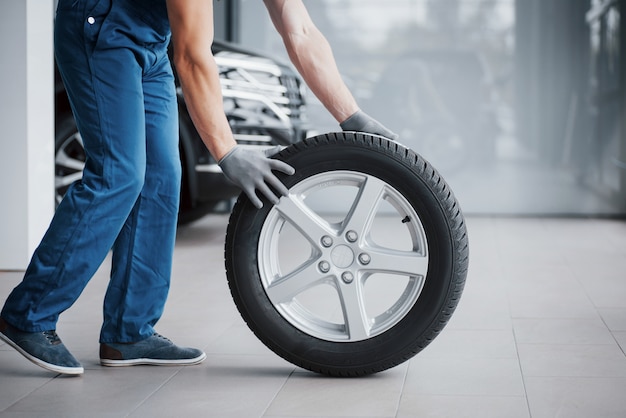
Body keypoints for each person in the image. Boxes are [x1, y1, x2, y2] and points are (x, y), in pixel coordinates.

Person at [0, 0, 397, 376]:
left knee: (160, 180)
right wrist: (228, 152)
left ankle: (129, 332)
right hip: (100, 27)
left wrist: (352, 116)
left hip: (152, 39)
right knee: (119, 174)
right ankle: (27, 315)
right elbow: (192, 56)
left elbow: (302, 31)